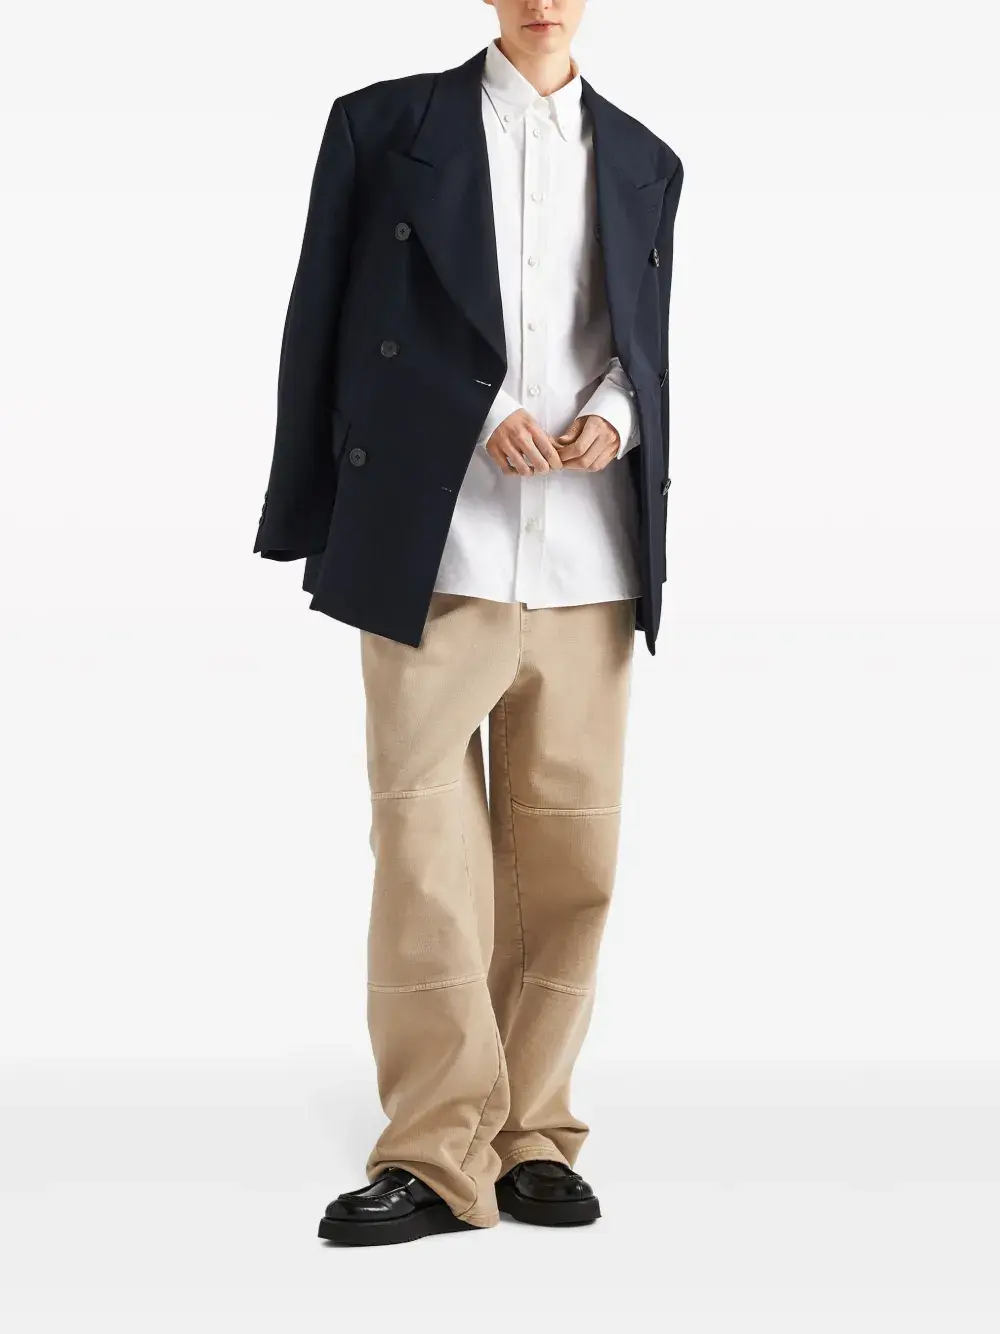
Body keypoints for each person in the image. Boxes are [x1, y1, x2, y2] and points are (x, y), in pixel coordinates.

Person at [253, 0, 683, 1246]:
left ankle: (531, 1131)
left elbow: (638, 338)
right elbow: (331, 322)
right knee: (426, 858)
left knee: (569, 861)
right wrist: (472, 410)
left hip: (591, 556)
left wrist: (617, 414)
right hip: (432, 550)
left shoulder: (646, 157)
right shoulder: (383, 126)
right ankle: (435, 1150)